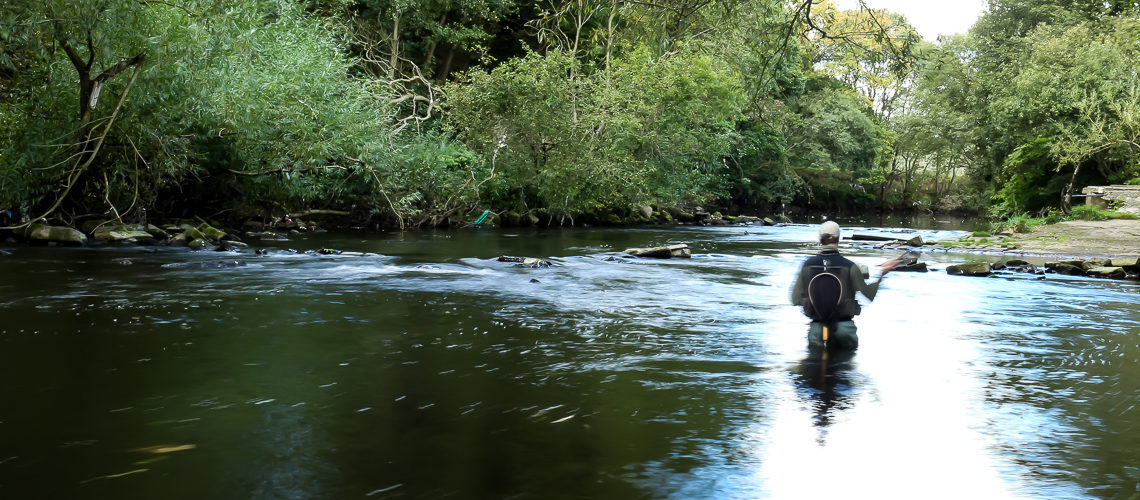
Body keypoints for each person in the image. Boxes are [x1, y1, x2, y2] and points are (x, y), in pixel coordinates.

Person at [790, 221, 900, 350]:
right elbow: (869, 295)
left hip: (817, 329)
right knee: (844, 365)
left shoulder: (806, 266)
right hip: (844, 329)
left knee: (814, 365)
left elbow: (794, 299)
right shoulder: (850, 266)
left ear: (820, 240)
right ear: (838, 239)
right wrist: (882, 273)